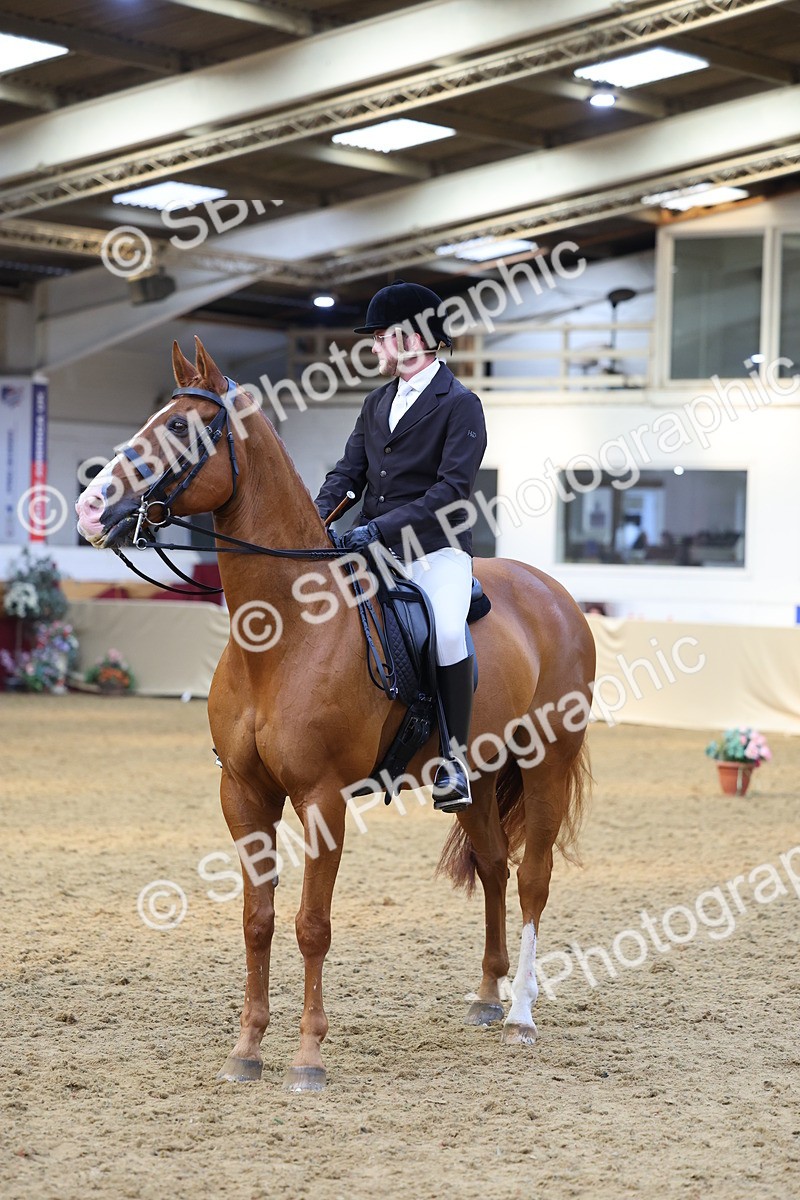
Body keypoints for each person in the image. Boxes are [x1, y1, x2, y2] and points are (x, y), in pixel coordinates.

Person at [314, 280, 487, 813]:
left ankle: (453, 761)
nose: (373, 347)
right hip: (372, 551)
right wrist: (314, 523)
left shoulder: (461, 405)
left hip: (435, 553)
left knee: (449, 635)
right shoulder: (376, 402)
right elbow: (348, 473)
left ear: (412, 337)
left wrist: (379, 530)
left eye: (380, 337)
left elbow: (450, 492)